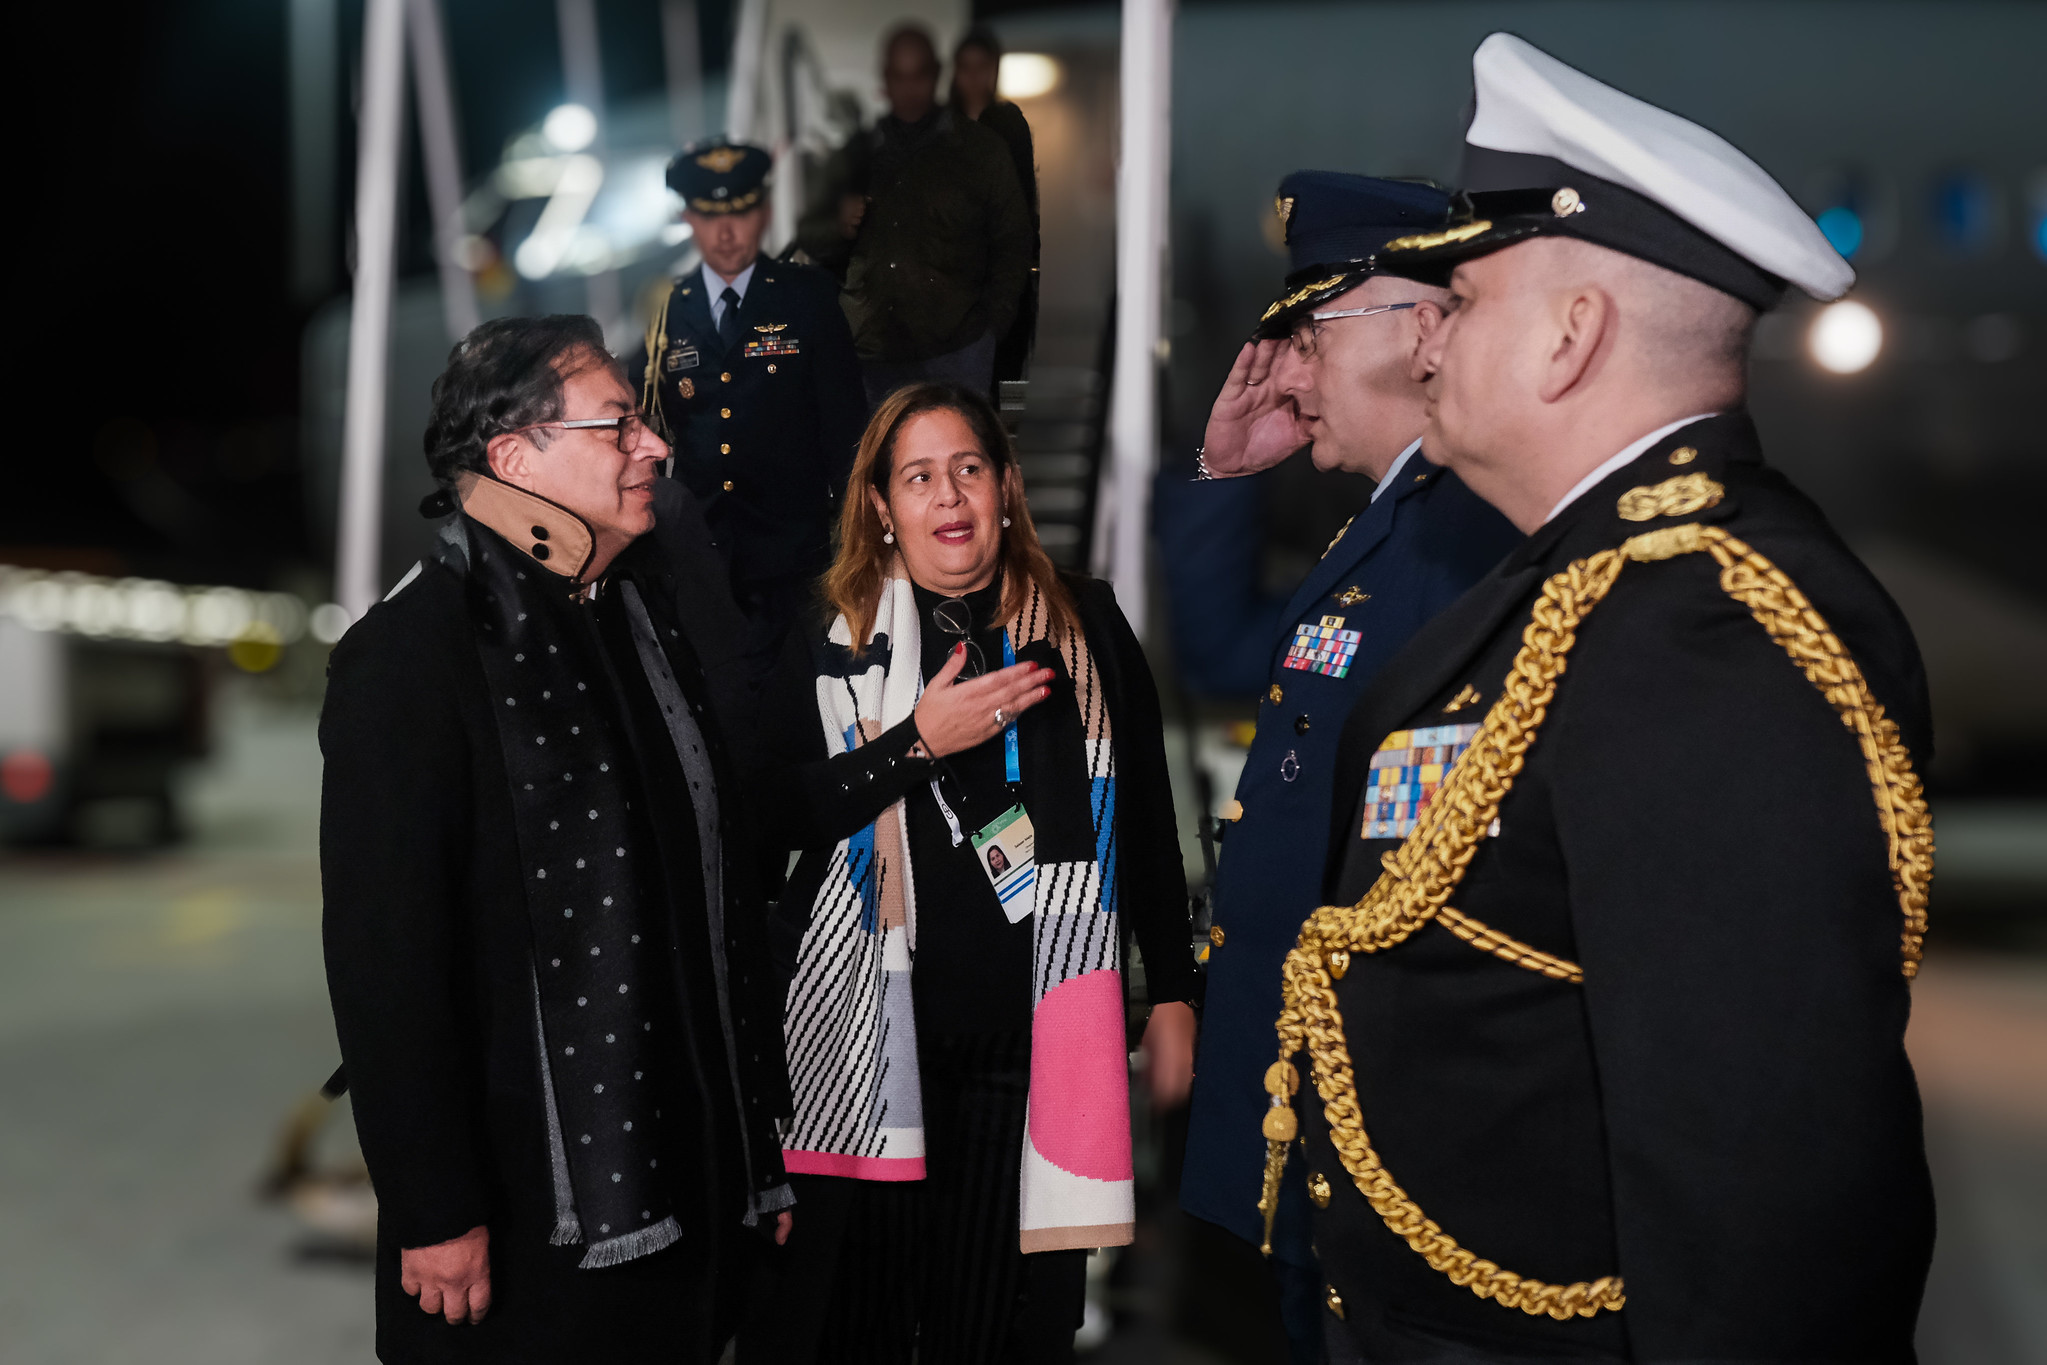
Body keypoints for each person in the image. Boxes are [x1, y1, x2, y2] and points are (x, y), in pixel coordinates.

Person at [1271, 34, 1935, 1360]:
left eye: (1460, 296)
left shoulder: (1709, 632)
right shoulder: (1571, 590)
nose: (1428, 334)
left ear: (1572, 334)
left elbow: (1758, 1211)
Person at [322, 314, 796, 1363]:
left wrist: (752, 1150)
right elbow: (386, 965)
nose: (654, 447)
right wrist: (433, 1208)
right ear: (511, 458)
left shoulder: (635, 618)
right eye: (618, 425)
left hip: (688, 1191)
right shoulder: (411, 657)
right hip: (528, 1220)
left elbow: (715, 893)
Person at [742, 382, 1201, 1363]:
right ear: (880, 506)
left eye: (967, 470)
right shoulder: (830, 640)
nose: (947, 497)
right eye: (918, 477)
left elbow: (1150, 830)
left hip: (1028, 1050)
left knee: (994, 1329)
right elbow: (767, 815)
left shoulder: (1081, 626)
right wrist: (914, 742)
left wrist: (1173, 994)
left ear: (1006, 488)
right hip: (864, 1042)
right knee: (853, 1324)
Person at [1156, 173, 1521, 1364]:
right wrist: (1219, 479)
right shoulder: (1390, 522)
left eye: (1310, 337)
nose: (1289, 373)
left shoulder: (1470, 527)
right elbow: (1222, 652)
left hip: (1378, 1115)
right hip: (1306, 1096)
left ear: (1424, 331)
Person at [635, 138, 867, 684]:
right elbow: (650, 421)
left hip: (797, 544)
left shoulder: (805, 297)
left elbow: (845, 424)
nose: (726, 232)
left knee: (817, 686)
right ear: (688, 219)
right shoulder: (667, 309)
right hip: (706, 550)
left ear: (761, 213)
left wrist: (855, 530)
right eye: (709, 217)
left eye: (739, 213)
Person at [803, 24, 1033, 406]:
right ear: (885, 80)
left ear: (936, 75)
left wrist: (991, 327)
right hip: (871, 353)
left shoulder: (980, 151)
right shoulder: (856, 152)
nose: (910, 87)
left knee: (957, 461)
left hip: (958, 351)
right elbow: (809, 236)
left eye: (919, 75)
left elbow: (1014, 240)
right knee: (877, 465)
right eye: (899, 76)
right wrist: (837, 225)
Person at [949, 25, 1040, 387]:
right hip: (952, 277)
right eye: (966, 67)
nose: (973, 77)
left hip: (1000, 272)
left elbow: (1022, 204)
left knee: (1003, 380)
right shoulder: (940, 126)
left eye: (981, 67)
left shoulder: (1007, 123)